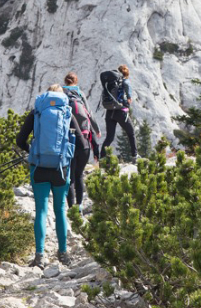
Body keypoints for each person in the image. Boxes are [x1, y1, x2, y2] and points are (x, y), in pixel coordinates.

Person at [16, 84, 87, 269]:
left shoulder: (37, 112)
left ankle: (39, 256)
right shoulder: (67, 113)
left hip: (38, 166)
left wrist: (32, 152)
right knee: (60, 209)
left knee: (40, 210)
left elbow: (19, 140)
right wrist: (66, 156)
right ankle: (63, 254)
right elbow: (82, 145)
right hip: (61, 169)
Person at [62, 71, 101, 208]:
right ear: (76, 82)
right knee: (79, 176)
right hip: (84, 142)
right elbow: (89, 115)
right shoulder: (80, 95)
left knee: (70, 177)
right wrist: (97, 131)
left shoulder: (62, 95)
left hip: (69, 142)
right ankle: (79, 207)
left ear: (65, 82)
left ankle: (70, 208)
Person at [100, 64, 138, 162]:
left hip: (109, 111)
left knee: (109, 137)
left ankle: (102, 159)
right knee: (131, 132)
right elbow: (129, 98)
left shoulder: (111, 83)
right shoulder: (125, 81)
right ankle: (135, 156)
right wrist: (127, 105)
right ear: (126, 73)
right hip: (120, 112)